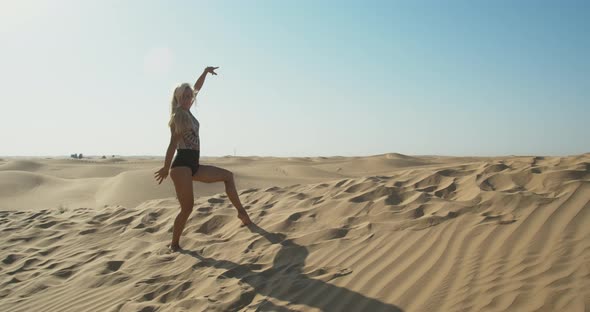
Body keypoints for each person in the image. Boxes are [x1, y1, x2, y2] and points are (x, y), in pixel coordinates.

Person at [154, 66, 252, 251]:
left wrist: (205, 72)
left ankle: (241, 213)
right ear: (177, 98)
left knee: (228, 176)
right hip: (181, 165)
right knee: (187, 208)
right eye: (184, 96)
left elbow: (197, 88)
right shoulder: (179, 115)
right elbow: (173, 144)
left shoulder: (188, 109)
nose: (189, 99)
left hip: (194, 165)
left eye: (190, 96)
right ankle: (174, 244)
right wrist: (166, 167)